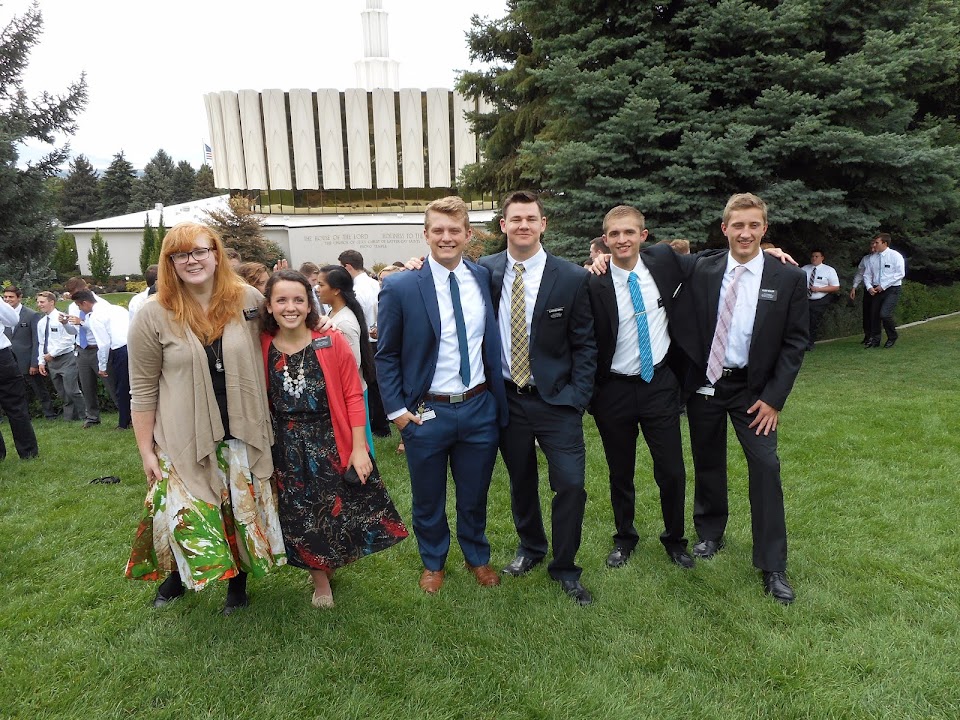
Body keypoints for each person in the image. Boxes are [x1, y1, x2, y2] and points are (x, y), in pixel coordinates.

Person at [125, 222, 285, 615]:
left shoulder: (248, 299)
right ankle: (177, 577)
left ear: (216, 253)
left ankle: (237, 586)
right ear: (170, 263)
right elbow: (142, 389)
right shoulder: (152, 315)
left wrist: (322, 323)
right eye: (181, 254)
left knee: (237, 513)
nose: (192, 260)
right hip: (182, 435)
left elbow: (286, 330)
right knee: (187, 514)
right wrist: (145, 450)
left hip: (242, 431)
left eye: (200, 251)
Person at [677, 193, 807, 604]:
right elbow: (657, 261)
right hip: (707, 384)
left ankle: (772, 564)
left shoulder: (787, 277)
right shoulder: (703, 268)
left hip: (755, 393)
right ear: (725, 229)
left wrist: (774, 399)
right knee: (708, 460)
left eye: (754, 225)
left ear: (764, 228)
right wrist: (603, 258)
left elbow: (795, 343)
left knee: (766, 467)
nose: (746, 233)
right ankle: (710, 534)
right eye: (738, 225)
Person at [376, 196, 508, 594]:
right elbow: (387, 355)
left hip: (479, 405)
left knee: (474, 493)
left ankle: (477, 556)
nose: (446, 237)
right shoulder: (400, 286)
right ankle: (433, 561)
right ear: (426, 235)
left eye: (455, 230)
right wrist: (397, 412)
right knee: (428, 496)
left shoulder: (483, 277)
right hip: (426, 410)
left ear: (469, 235)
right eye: (438, 230)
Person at [260, 270, 407, 608]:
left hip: (329, 439)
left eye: (298, 299)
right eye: (281, 300)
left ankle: (332, 558)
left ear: (309, 303)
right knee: (301, 515)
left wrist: (359, 448)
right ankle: (320, 580)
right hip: (286, 445)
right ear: (268, 306)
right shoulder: (262, 343)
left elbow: (354, 395)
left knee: (338, 510)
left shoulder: (330, 339)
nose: (290, 307)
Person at [480, 190, 597, 606]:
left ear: (543, 225)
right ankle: (531, 548)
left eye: (532, 218)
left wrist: (577, 396)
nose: (524, 225)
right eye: (516, 219)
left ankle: (565, 567)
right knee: (520, 480)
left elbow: (586, 344)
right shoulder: (485, 272)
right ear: (504, 226)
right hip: (507, 399)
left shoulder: (571, 277)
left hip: (557, 402)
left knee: (571, 484)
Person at [587, 206, 708, 574]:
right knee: (619, 471)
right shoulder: (595, 281)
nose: (622, 239)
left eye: (629, 232)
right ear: (605, 240)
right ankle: (624, 538)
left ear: (644, 235)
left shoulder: (665, 262)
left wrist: (767, 253)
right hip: (614, 390)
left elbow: (712, 262)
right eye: (614, 234)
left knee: (671, 470)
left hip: (658, 384)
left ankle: (675, 540)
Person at [316, 264, 378, 455]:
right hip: (344, 393)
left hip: (350, 394)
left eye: (321, 284)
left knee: (359, 446)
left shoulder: (344, 322)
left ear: (336, 290)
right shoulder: (333, 314)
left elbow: (352, 366)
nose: (317, 289)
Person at [339, 249, 390, 437]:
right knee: (378, 383)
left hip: (366, 338)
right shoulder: (375, 284)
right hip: (380, 335)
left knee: (371, 383)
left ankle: (379, 425)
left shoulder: (357, 289)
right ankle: (381, 421)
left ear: (347, 267)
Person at [69, 289, 132, 430]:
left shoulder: (95, 317)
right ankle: (131, 418)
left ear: (85, 303)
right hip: (132, 345)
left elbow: (103, 344)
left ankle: (124, 422)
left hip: (120, 350)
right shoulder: (116, 309)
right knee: (131, 386)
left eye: (79, 306)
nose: (79, 310)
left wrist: (102, 366)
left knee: (122, 388)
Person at [65, 277, 114, 428]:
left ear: (85, 288)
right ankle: (92, 417)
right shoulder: (74, 306)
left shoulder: (100, 305)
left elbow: (104, 329)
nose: (74, 298)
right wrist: (65, 324)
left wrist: (83, 323)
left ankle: (127, 414)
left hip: (97, 348)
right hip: (82, 349)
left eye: (76, 293)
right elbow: (74, 330)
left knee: (111, 384)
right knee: (86, 386)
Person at [2, 286, 56, 419]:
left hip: (27, 360)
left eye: (11, 297)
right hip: (9, 360)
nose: (8, 299)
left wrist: (35, 363)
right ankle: (23, 415)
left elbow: (36, 340)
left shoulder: (31, 315)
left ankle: (49, 414)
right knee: (16, 392)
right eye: (5, 297)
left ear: (19, 298)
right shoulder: (2, 314)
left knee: (39, 389)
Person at [35, 291, 85, 421]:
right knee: (62, 392)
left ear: (51, 302)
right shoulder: (41, 322)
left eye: (42, 302)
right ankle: (70, 418)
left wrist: (52, 353)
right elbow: (41, 343)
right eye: (38, 302)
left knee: (72, 390)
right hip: (51, 362)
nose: (39, 304)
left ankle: (86, 414)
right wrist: (41, 361)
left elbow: (69, 339)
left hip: (66, 359)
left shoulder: (62, 318)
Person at [0, 297, 39, 461]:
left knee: (16, 405)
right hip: (2, 357)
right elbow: (13, 319)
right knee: (16, 405)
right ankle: (28, 452)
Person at [863, 233, 905, 348]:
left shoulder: (895, 256)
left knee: (885, 314)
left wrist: (884, 285)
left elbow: (900, 274)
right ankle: (875, 340)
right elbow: (867, 275)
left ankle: (892, 336)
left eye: (877, 242)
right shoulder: (873, 258)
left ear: (885, 243)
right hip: (876, 289)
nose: (874, 245)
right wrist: (869, 287)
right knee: (874, 315)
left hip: (892, 288)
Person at [802, 250, 840, 350]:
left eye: (816, 256)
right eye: (813, 256)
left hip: (820, 299)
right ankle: (802, 341)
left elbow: (835, 287)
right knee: (803, 320)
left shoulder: (829, 270)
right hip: (805, 299)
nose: (814, 258)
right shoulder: (805, 269)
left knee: (814, 321)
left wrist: (819, 289)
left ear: (822, 258)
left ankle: (810, 343)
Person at [849, 242, 876, 345]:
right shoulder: (866, 259)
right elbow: (860, 273)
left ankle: (874, 336)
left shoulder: (883, 258)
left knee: (875, 312)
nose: (872, 250)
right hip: (868, 288)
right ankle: (867, 335)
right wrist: (854, 287)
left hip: (879, 288)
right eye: (871, 247)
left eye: (874, 247)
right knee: (867, 312)